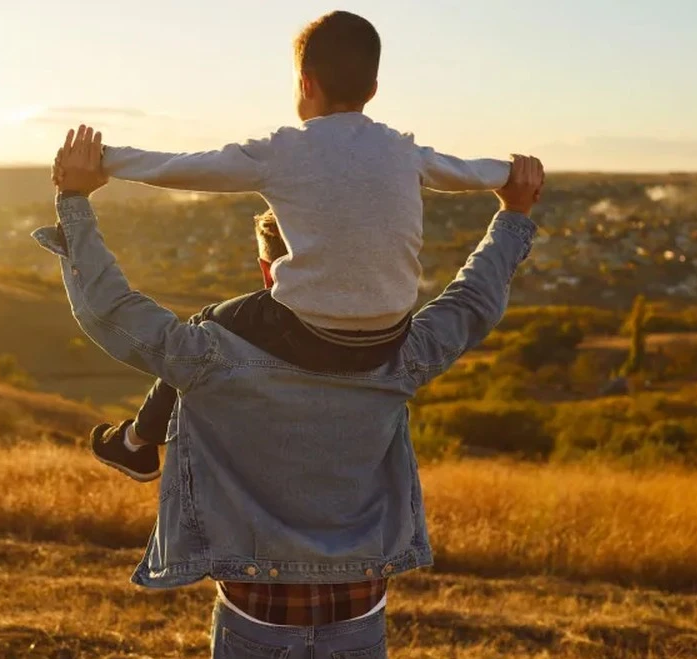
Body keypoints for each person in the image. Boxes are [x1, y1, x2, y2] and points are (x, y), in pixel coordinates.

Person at [35, 128, 544, 659]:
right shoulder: (402, 356)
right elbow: (472, 301)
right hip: (360, 607)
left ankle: (137, 442)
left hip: (257, 612)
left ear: (267, 270)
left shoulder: (211, 356)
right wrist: (512, 213)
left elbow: (110, 309)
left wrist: (74, 201)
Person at [82, 11, 519, 480]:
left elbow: (182, 166)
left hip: (308, 333)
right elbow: (469, 172)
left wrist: (103, 161)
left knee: (205, 324)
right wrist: (515, 174)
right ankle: (138, 440)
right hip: (390, 337)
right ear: (372, 90)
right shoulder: (403, 151)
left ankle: (138, 443)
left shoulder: (283, 150)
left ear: (305, 83)